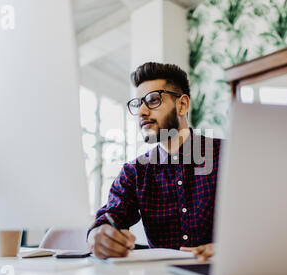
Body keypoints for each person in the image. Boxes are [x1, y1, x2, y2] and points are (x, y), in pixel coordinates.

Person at [87, 62, 222, 262]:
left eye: (152, 100)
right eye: (138, 104)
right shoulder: (135, 172)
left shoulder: (227, 156)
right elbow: (108, 218)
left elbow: (263, 220)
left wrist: (232, 248)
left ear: (182, 105)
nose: (142, 111)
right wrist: (98, 236)